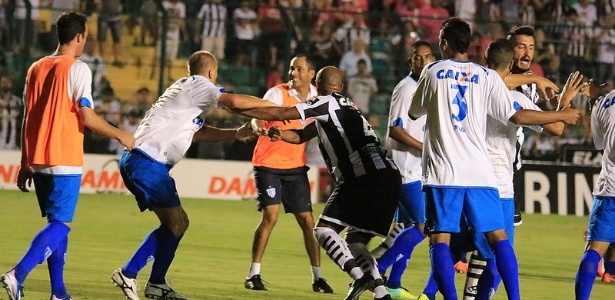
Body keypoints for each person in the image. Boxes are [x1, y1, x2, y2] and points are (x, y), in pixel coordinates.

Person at [407, 17, 581, 300]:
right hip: (484, 176)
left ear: (444, 43)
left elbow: (414, 113)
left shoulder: (434, 71)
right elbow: (518, 115)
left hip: (444, 171)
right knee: (497, 241)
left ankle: (437, 295)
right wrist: (561, 108)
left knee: (444, 241)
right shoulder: (488, 80)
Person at [107, 51, 275, 300]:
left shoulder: (186, 91)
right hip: (148, 161)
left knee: (177, 224)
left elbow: (198, 132)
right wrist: (274, 107)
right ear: (211, 72)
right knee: (176, 224)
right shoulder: (200, 85)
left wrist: (235, 134)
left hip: (143, 161)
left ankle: (156, 284)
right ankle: (129, 273)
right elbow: (235, 102)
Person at [0, 12, 136, 300]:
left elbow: (28, 117)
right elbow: (86, 115)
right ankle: (17, 274)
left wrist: (25, 162)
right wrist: (121, 134)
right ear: (79, 37)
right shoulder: (78, 68)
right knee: (61, 225)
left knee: (57, 226)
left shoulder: (35, 67)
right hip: (63, 154)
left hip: (38, 157)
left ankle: (58, 293)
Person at [237, 66, 400, 300]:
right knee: (355, 240)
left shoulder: (325, 102)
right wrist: (281, 135)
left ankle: (359, 276)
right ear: (341, 87)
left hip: (362, 175)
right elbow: (302, 135)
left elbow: (282, 114)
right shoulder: (347, 107)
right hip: (388, 176)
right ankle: (381, 293)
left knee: (323, 230)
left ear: (318, 85)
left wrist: (242, 110)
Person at [463, 39, 586, 300]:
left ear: (485, 62)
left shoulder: (469, 87)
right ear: (510, 62)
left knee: (461, 245)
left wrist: (560, 104)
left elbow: (553, 126)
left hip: (472, 178)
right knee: (497, 249)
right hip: (495, 183)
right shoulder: (515, 97)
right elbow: (552, 126)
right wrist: (562, 108)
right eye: (521, 47)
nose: (527, 52)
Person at [244, 54, 333, 294]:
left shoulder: (316, 97)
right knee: (271, 216)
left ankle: (318, 278)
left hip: (295, 166)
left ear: (311, 74)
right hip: (268, 163)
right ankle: (253, 274)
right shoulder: (276, 93)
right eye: (291, 68)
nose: (293, 73)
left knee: (308, 222)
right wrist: (261, 128)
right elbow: (256, 117)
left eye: (299, 69)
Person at [370, 40, 435, 300]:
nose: (422, 62)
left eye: (427, 57)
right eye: (417, 58)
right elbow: (396, 131)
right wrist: (424, 148)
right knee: (425, 227)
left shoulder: (427, 87)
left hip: (417, 168)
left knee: (410, 226)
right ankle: (379, 268)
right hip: (406, 169)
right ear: (411, 62)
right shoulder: (406, 88)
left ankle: (394, 283)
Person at [575, 81, 615, 300]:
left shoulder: (605, 101)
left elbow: (600, 146)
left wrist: (594, 99)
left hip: (610, 186)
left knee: (594, 250)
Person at [0, 74, 22, 150]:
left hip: (14, 144)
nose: (5, 84)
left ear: (11, 84)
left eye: (7, 82)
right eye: (3, 82)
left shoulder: (17, 101)